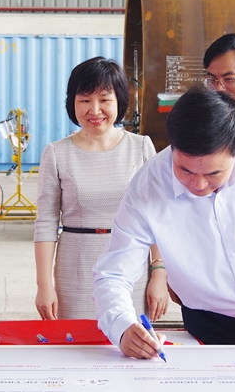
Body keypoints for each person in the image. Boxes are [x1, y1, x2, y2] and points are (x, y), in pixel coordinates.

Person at [93, 88, 235, 361]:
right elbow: (113, 273)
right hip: (209, 326)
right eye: (185, 170)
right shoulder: (148, 187)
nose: (199, 184)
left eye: (214, 173)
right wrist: (122, 326)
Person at [34, 57, 168, 321]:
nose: (94, 110)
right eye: (85, 100)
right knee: (77, 341)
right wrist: (43, 285)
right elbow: (46, 222)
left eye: (104, 99)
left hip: (131, 266)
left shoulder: (141, 147)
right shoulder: (57, 153)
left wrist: (159, 274)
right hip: (75, 270)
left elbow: (157, 215)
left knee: (129, 340)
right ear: (73, 103)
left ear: (119, 101)